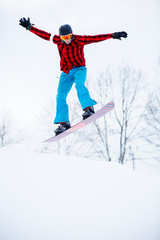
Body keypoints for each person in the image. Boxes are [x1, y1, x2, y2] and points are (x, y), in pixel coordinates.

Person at [19, 17, 127, 135]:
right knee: (60, 96)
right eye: (63, 38)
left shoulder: (79, 39)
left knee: (79, 85)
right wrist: (30, 28)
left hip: (79, 69)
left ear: (72, 35)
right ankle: (64, 123)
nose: (66, 40)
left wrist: (113, 35)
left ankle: (88, 108)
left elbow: (95, 38)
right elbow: (45, 35)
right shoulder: (57, 40)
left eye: (68, 37)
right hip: (66, 72)